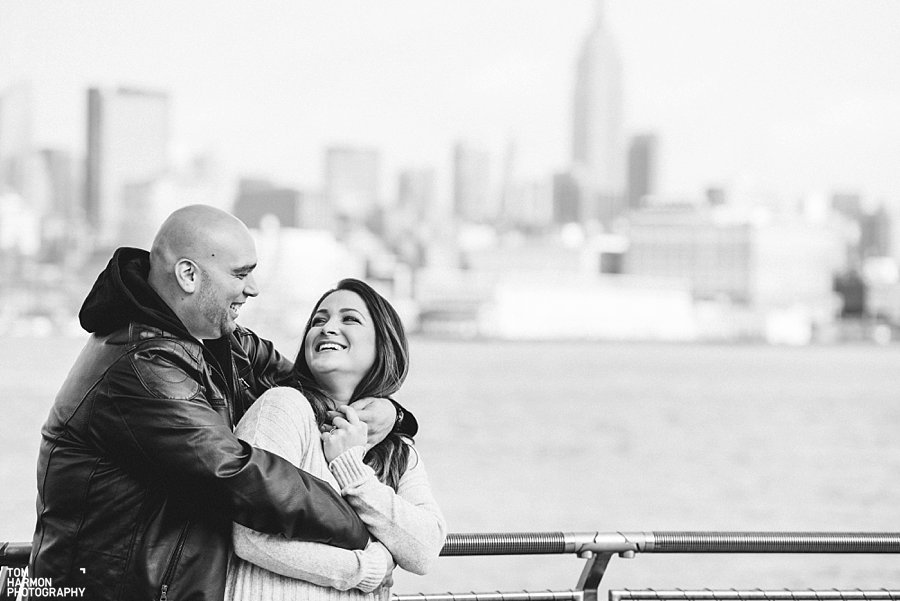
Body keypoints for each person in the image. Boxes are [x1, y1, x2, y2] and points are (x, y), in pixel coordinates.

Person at [29, 206, 416, 601]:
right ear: (189, 275)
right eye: (240, 274)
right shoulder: (143, 365)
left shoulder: (222, 342)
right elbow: (237, 474)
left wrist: (392, 413)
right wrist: (361, 525)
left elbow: (308, 385)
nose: (253, 288)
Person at [225, 278, 446, 601]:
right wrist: (367, 567)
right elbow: (249, 536)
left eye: (350, 319)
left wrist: (352, 471)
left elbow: (424, 550)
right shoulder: (282, 407)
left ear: (383, 344)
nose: (327, 328)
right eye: (319, 320)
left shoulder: (397, 450)